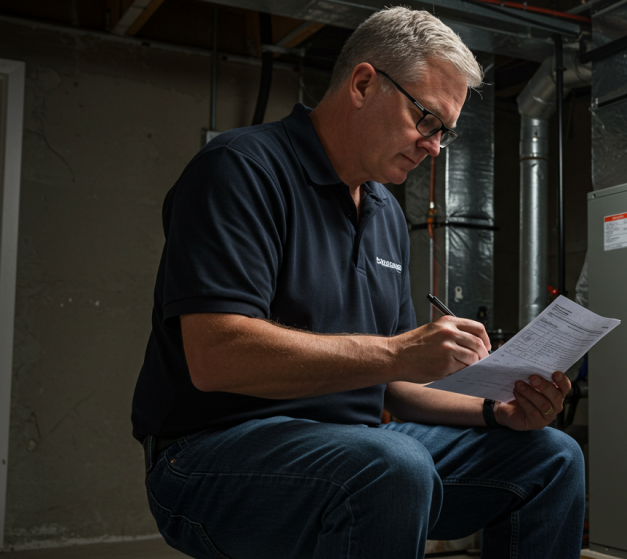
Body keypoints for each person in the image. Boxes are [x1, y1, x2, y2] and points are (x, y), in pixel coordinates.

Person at [130, 7, 585, 559]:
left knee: (553, 456)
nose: (434, 146)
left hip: (362, 449)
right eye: (427, 120)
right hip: (210, 453)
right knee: (392, 467)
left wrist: (497, 411)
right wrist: (398, 350)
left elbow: (392, 382)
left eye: (446, 132)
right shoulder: (241, 169)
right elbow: (216, 355)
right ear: (364, 84)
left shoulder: (384, 212)